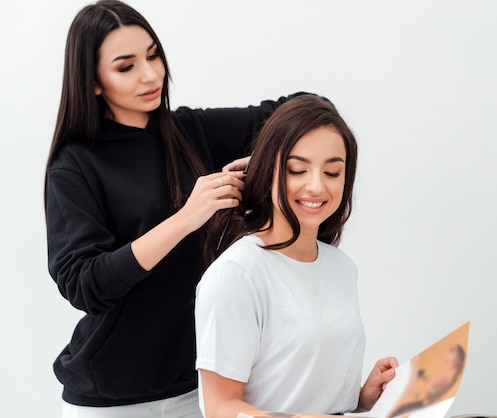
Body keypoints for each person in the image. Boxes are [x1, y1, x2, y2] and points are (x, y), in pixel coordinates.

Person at [45, 1, 306, 416]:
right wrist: (186, 218)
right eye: (126, 66)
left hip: (199, 389)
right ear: (93, 81)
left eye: (153, 55)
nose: (150, 74)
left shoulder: (190, 131)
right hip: (110, 399)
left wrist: (265, 160)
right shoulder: (74, 165)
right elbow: (84, 285)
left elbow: (301, 107)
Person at [195, 94, 398, 418]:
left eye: (332, 173)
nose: (316, 186)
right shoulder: (237, 274)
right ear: (268, 171)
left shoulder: (341, 268)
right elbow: (222, 408)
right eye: (297, 170)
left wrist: (362, 397)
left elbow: (304, 390)